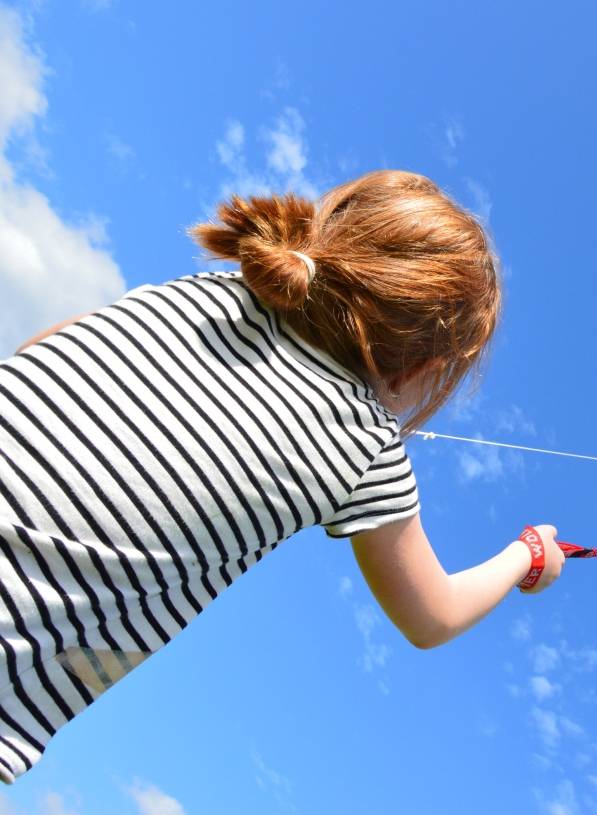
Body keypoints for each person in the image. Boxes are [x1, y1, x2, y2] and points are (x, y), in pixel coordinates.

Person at [0, 169, 566, 784]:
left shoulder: (210, 291)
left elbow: (44, 348)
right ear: (425, 368)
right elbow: (432, 617)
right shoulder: (367, 444)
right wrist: (526, 554)